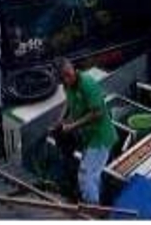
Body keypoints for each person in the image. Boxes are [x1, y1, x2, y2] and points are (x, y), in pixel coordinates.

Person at [52, 59, 118, 204]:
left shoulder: (87, 84)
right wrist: (60, 119)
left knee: (85, 175)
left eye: (69, 74)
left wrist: (73, 126)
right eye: (64, 77)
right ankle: (99, 201)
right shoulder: (67, 86)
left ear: (73, 68)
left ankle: (92, 212)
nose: (68, 78)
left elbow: (98, 113)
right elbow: (68, 102)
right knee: (94, 175)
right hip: (88, 138)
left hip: (100, 137)